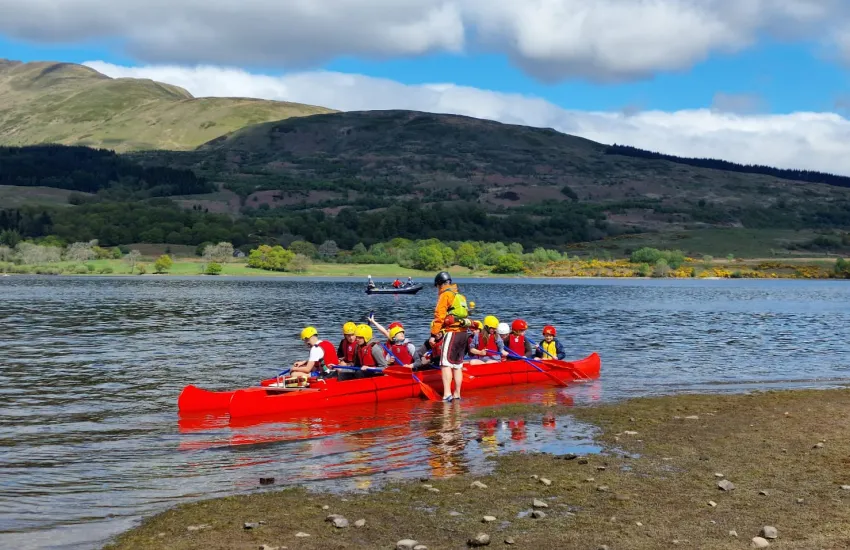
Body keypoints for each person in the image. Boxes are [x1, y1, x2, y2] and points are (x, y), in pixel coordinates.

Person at [431, 271, 471, 402]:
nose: (437, 289)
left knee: (446, 364)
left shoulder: (445, 295)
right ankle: (457, 394)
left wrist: (433, 334)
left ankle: (447, 394)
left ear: (440, 284)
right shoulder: (460, 296)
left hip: (452, 332)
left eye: (437, 286)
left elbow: (439, 316)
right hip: (463, 333)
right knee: (458, 365)